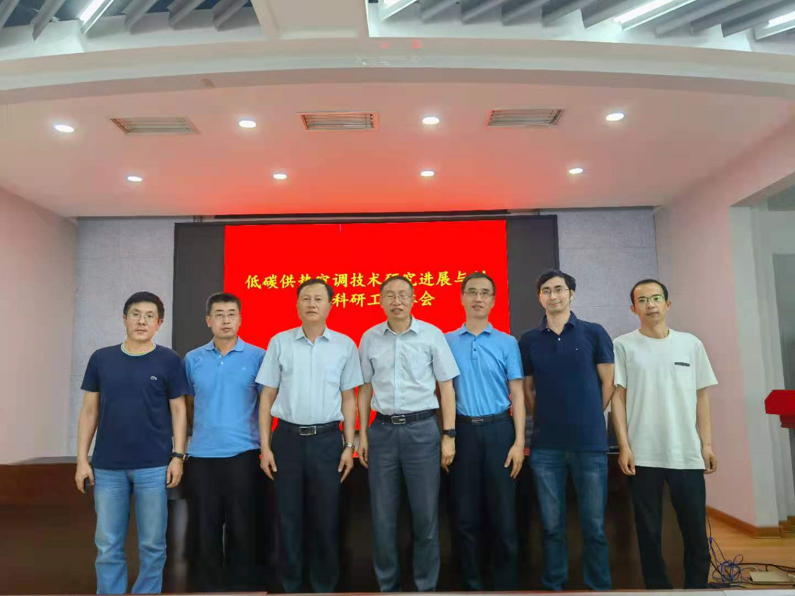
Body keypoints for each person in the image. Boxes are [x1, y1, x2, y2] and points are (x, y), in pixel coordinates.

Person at [75, 291, 188, 595]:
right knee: (107, 543)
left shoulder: (169, 360)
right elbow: (89, 411)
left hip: (154, 466)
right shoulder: (102, 358)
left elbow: (179, 410)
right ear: (124, 318)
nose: (142, 321)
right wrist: (82, 460)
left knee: (152, 543)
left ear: (159, 323)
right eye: (135, 314)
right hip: (107, 466)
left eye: (150, 316)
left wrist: (178, 455)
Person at [256, 278, 362, 593]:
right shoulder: (280, 342)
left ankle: (324, 586)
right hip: (287, 440)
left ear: (330, 304)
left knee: (325, 517)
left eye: (318, 298)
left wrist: (349, 445)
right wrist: (265, 446)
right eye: (305, 298)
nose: (311, 304)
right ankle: (291, 585)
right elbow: (267, 397)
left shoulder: (345, 345)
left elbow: (349, 399)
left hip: (328, 441)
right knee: (288, 517)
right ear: (297, 304)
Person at [611, 278, 717, 589]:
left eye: (656, 298)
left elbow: (702, 396)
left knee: (695, 529)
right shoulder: (622, 345)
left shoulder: (690, 344)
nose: (651, 305)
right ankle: (658, 590)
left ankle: (696, 589)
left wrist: (707, 444)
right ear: (633, 309)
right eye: (642, 300)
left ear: (668, 304)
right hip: (643, 454)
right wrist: (624, 445)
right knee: (648, 531)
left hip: (686, 452)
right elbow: (618, 398)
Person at [358, 275, 460, 592]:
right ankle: (388, 587)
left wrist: (448, 434)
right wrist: (363, 434)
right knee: (383, 519)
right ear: (380, 301)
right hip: (382, 432)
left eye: (403, 294)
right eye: (390, 295)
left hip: (422, 431)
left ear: (415, 299)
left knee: (425, 517)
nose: (397, 301)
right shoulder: (370, 337)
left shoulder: (432, 335)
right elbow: (364, 389)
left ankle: (425, 587)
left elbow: (446, 387)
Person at [518, 269, 614, 591]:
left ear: (571, 294)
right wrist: (547, 416)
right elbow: (528, 390)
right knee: (551, 527)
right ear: (539, 297)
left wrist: (589, 414)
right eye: (546, 290)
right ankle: (554, 586)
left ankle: (598, 587)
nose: (553, 295)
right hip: (546, 447)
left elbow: (608, 382)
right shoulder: (529, 340)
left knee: (594, 526)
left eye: (559, 289)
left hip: (590, 444)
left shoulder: (594, 332)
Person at [445, 272, 526, 591]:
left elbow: (517, 393)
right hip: (462, 433)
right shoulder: (446, 341)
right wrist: (446, 435)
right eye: (472, 292)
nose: (478, 298)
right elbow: (441, 393)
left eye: (485, 293)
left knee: (503, 514)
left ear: (493, 300)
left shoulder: (507, 342)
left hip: (499, 431)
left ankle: (505, 586)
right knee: (465, 516)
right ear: (462, 298)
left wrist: (519, 442)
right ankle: (471, 586)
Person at [183, 292, 266, 591]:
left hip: (244, 454)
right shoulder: (192, 359)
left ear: (240, 319)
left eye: (231, 314)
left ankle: (242, 588)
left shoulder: (258, 356)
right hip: (202, 456)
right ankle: (209, 589)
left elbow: (266, 404)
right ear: (209, 320)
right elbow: (187, 404)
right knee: (205, 527)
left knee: (243, 526)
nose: (226, 320)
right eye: (219, 314)